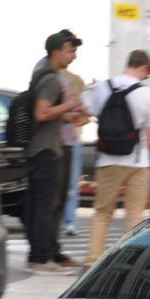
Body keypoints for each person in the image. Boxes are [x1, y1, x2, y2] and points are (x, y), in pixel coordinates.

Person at [85, 49, 150, 267]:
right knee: (134, 214)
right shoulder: (147, 93)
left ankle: (91, 261)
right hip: (138, 162)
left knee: (102, 213)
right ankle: (127, 264)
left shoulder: (104, 87)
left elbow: (96, 115)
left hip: (107, 160)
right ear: (145, 68)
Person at [23, 29, 84, 273]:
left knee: (43, 205)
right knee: (43, 206)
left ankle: (43, 255)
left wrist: (67, 116)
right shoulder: (50, 79)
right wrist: (69, 104)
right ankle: (41, 258)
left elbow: (47, 116)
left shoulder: (46, 75)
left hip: (42, 149)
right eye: (71, 51)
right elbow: (41, 113)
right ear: (57, 51)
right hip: (46, 150)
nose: (74, 56)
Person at [60, 71, 88, 242]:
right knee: (59, 184)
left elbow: (85, 114)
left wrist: (77, 113)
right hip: (54, 139)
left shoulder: (77, 80)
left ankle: (70, 221)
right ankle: (62, 221)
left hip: (73, 139)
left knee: (71, 184)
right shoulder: (50, 76)